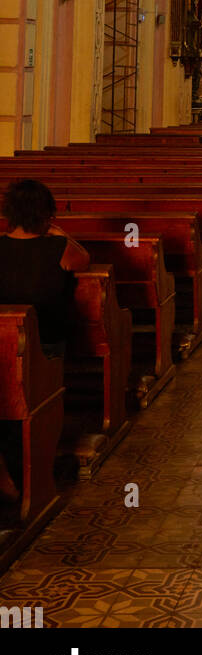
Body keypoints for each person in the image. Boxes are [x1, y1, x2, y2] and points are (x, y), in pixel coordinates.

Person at [0, 180, 90, 503]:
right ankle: (30, 472)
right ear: (46, 214)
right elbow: (84, 259)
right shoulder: (59, 249)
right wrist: (58, 232)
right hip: (46, 349)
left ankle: (9, 476)